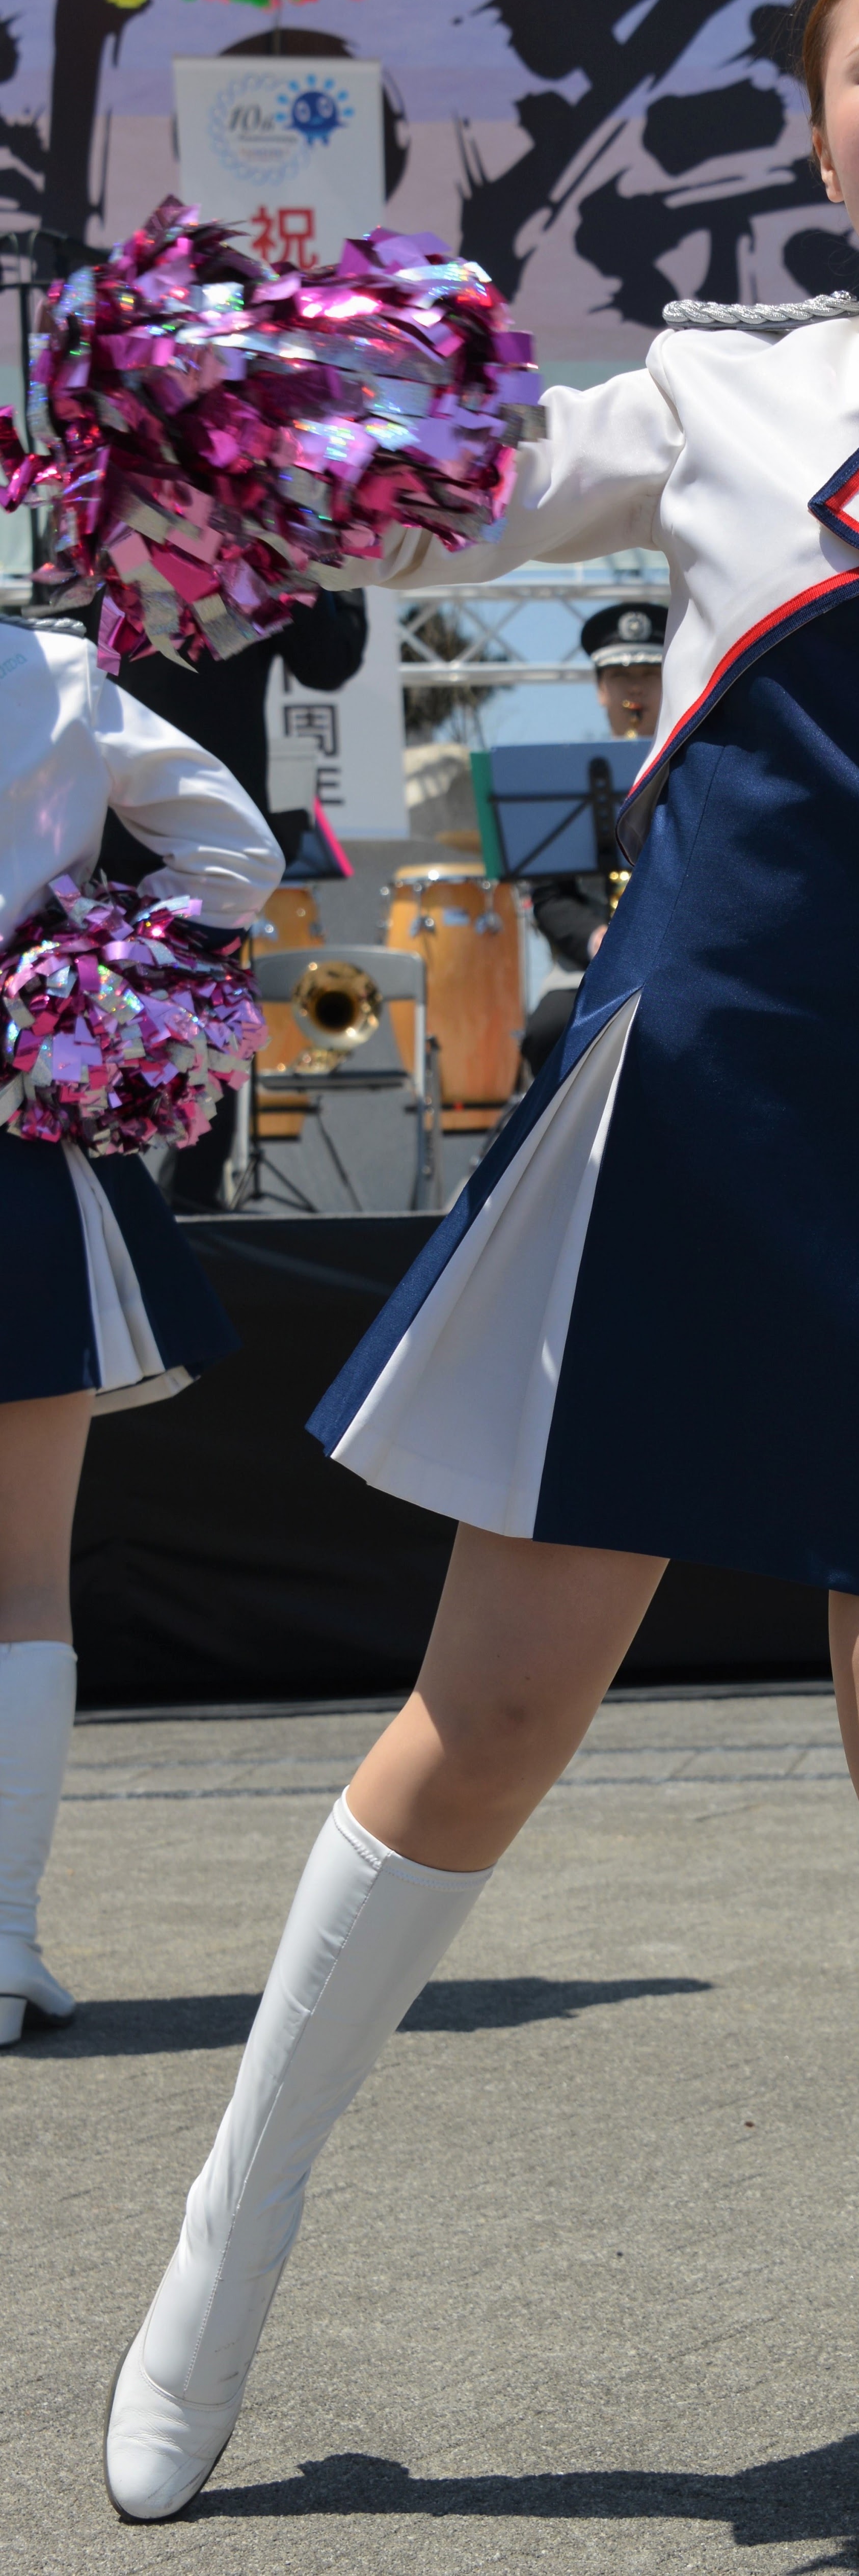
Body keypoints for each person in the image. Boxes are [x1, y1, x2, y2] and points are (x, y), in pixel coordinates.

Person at [104, 0, 859, 2554]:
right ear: (817, 123)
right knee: (493, 1704)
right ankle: (223, 2241)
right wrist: (237, 382)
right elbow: (448, 508)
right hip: (685, 1112)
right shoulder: (717, 385)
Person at [0, 615, 280, 2051]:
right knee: (19, 1584)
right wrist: (82, 980)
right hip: (10, 1145)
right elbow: (235, 857)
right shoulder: (49, 673)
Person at [94, 593, 368, 1210]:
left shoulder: (282, 544)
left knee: (215, 1020)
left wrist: (295, 561)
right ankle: (99, 1198)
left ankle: (193, 1204)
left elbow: (329, 661)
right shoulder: (100, 531)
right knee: (92, 1012)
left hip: (217, 826)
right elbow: (67, 634)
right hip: (107, 813)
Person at [520, 599, 665, 1079]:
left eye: (649, 673)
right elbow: (549, 897)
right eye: (621, 676)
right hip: (586, 966)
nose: (635, 688)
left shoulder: (701, 766)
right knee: (548, 1031)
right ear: (601, 689)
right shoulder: (568, 780)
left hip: (678, 956)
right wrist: (593, 937)